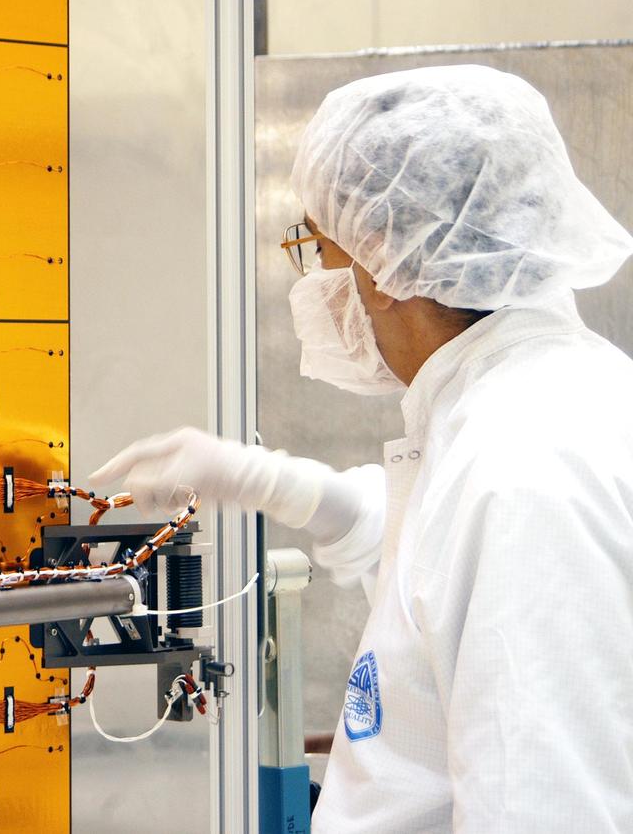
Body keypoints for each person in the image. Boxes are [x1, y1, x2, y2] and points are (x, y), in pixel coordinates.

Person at [90, 65, 633, 832]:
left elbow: (543, 805)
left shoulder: (520, 473)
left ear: (380, 259)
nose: (315, 282)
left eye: (315, 246)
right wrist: (274, 482)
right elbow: (439, 568)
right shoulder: (540, 404)